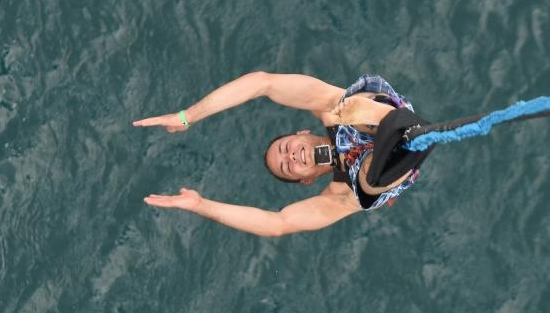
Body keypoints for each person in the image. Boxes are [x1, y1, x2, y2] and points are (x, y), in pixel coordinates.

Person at [132, 72, 429, 236]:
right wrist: (199, 205)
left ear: (301, 133)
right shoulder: (336, 196)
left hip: (377, 114)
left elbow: (264, 84)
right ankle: (384, 161)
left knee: (339, 105)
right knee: (360, 191)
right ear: (306, 181)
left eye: (286, 148)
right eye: (288, 167)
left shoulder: (325, 111)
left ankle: (382, 119)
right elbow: (277, 223)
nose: (292, 157)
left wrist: (187, 117)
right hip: (386, 171)